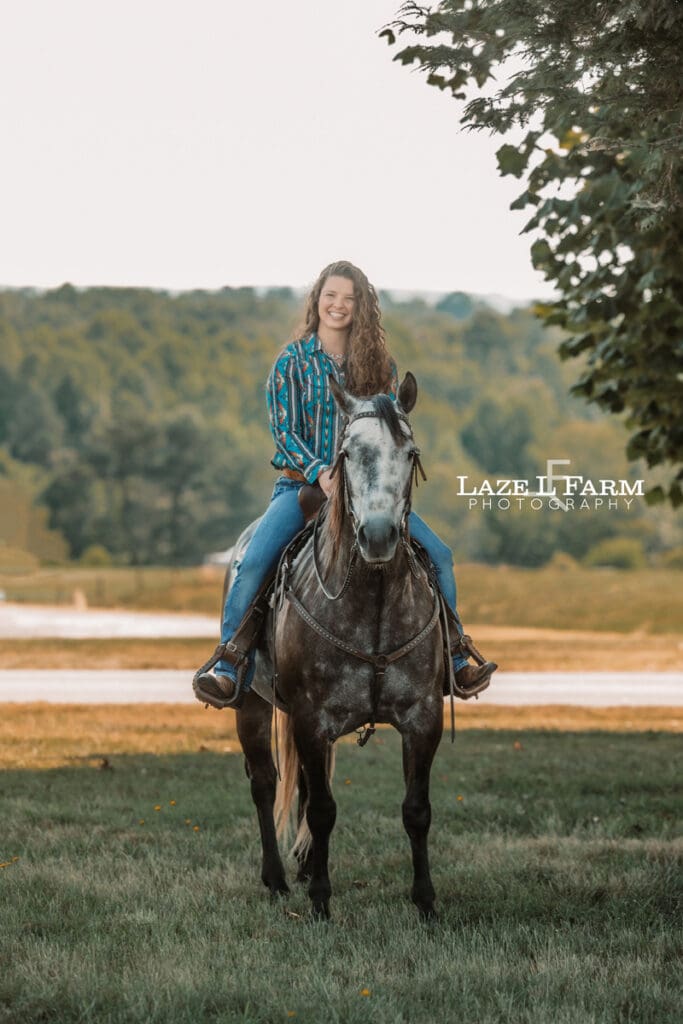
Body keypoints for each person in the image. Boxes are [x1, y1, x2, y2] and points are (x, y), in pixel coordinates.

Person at [195, 260, 496, 706]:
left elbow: (392, 432)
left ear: (361, 308)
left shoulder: (380, 367)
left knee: (441, 556)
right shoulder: (291, 362)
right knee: (255, 560)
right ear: (317, 300)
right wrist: (320, 470)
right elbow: (284, 431)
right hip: (302, 490)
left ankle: (454, 659)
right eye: (330, 295)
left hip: (368, 495)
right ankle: (229, 663)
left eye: (348, 299)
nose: (338, 305)